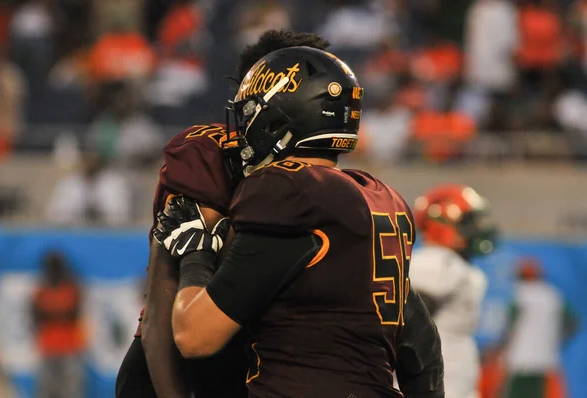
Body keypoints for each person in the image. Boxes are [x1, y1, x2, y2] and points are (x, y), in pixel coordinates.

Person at [154, 46, 444, 398]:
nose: (245, 129)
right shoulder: (380, 196)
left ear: (277, 119)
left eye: (252, 116)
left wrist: (196, 254)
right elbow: (422, 347)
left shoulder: (287, 189)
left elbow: (195, 335)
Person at [115, 30, 334, 398]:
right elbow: (161, 304)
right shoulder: (210, 154)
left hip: (261, 362)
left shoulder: (314, 173)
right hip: (188, 365)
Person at [409, 184, 498, 398]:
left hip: (454, 374)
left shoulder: (456, 265)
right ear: (441, 225)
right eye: (469, 222)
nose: (477, 229)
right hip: (433, 374)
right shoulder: (435, 262)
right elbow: (408, 322)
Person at [502, 258, 577, 398]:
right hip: (546, 358)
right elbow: (572, 322)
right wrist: (559, 339)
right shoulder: (553, 295)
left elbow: (509, 326)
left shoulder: (521, 295)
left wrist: (502, 346)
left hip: (520, 359)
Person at [31, 251, 85, 398]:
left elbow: (73, 315)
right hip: (48, 347)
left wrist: (51, 313)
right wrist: (57, 313)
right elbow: (36, 317)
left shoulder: (72, 289)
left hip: (69, 347)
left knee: (70, 391)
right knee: (46, 391)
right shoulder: (41, 291)